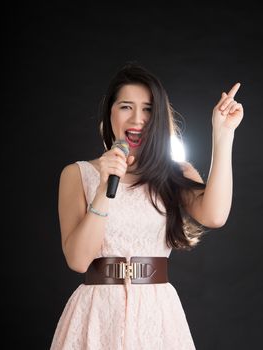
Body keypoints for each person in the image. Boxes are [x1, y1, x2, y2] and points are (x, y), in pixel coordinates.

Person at [50, 62, 244, 349]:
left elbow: (215, 215)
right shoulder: (76, 175)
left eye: (149, 109)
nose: (137, 119)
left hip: (157, 315)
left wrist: (223, 133)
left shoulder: (175, 173)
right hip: (96, 314)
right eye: (126, 107)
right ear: (110, 112)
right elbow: (78, 261)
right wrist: (105, 187)